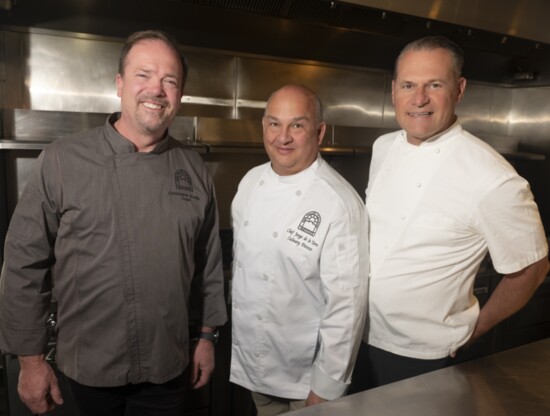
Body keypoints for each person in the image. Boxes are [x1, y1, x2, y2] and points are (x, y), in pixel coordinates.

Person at [0, 30, 227, 416]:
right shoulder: (62, 160)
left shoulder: (193, 168)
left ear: (180, 95)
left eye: (170, 81)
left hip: (168, 368)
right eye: (144, 75)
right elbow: (24, 263)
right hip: (87, 372)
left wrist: (206, 336)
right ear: (119, 83)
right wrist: (31, 360)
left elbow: (207, 264)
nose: (157, 89)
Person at [350, 35, 549, 391]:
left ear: (459, 89)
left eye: (434, 85)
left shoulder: (492, 178)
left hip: (423, 356)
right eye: (409, 85)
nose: (419, 99)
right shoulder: (384, 147)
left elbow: (534, 267)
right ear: (394, 89)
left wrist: (477, 327)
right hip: (357, 335)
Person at [229, 84, 369, 415]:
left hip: (306, 383)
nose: (283, 137)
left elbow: (347, 306)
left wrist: (325, 389)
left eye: (297, 125)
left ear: (319, 132)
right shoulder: (249, 182)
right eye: (275, 123)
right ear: (263, 126)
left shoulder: (338, 203)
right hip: (256, 370)